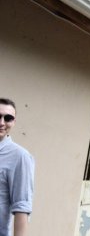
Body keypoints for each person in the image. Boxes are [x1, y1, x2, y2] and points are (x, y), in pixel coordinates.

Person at [0, 98, 35, 236]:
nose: (2, 122)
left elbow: (22, 206)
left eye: (8, 118)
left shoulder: (20, 156)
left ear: (14, 122)